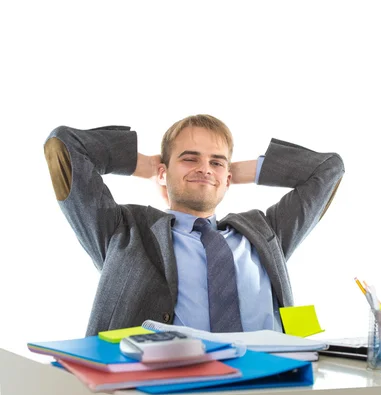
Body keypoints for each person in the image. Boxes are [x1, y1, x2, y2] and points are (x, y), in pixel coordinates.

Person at [43, 114, 345, 336]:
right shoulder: (124, 231)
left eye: (216, 161)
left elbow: (328, 169)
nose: (204, 168)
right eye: (189, 159)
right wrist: (148, 166)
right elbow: (64, 145)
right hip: (166, 389)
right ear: (164, 171)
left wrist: (234, 171)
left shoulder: (265, 233)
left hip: (269, 382)